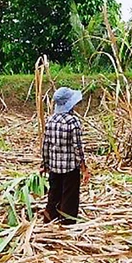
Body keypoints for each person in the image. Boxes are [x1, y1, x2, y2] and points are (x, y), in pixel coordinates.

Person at [41, 87, 90, 224]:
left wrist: (44, 164)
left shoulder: (51, 121)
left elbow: (46, 145)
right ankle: (67, 224)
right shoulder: (73, 122)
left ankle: (49, 220)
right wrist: (84, 168)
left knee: (53, 194)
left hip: (54, 167)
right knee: (70, 197)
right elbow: (78, 148)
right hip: (70, 168)